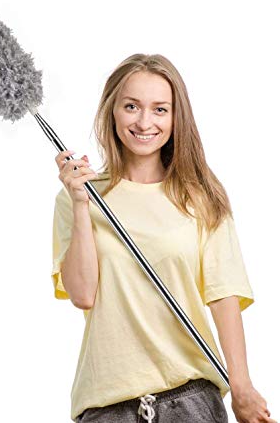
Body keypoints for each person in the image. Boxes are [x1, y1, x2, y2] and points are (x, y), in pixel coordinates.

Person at [51, 53, 275, 423]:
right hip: (106, 405)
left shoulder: (200, 197)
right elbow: (83, 294)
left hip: (190, 399)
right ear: (112, 111)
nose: (144, 122)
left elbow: (223, 296)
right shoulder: (80, 196)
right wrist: (79, 204)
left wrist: (242, 387)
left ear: (175, 117)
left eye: (159, 109)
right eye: (131, 106)